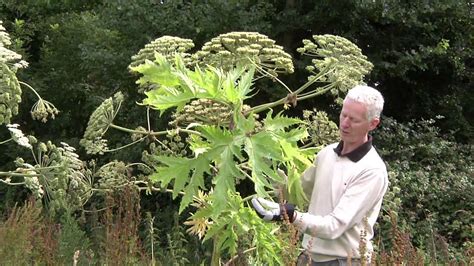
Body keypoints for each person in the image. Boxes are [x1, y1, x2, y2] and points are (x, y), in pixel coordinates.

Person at [251, 85, 388, 265]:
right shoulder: (327, 153)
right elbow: (298, 194)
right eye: (343, 115)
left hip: (345, 261)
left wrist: (289, 215)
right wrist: (268, 167)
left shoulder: (371, 170)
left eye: (354, 120)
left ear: (373, 123)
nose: (345, 123)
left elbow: (334, 226)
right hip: (309, 257)